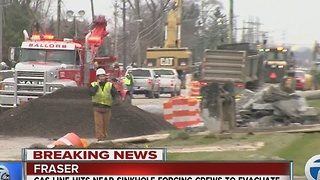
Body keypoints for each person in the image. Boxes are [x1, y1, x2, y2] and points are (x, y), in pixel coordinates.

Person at [89, 68, 118, 142]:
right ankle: (100, 139)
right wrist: (97, 86)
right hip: (97, 108)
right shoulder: (93, 85)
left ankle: (104, 138)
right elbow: (91, 93)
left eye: (103, 76)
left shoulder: (109, 85)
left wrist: (116, 102)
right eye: (100, 76)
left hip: (107, 108)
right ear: (97, 77)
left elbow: (115, 94)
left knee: (106, 125)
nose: (102, 78)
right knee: (99, 124)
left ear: (105, 77)